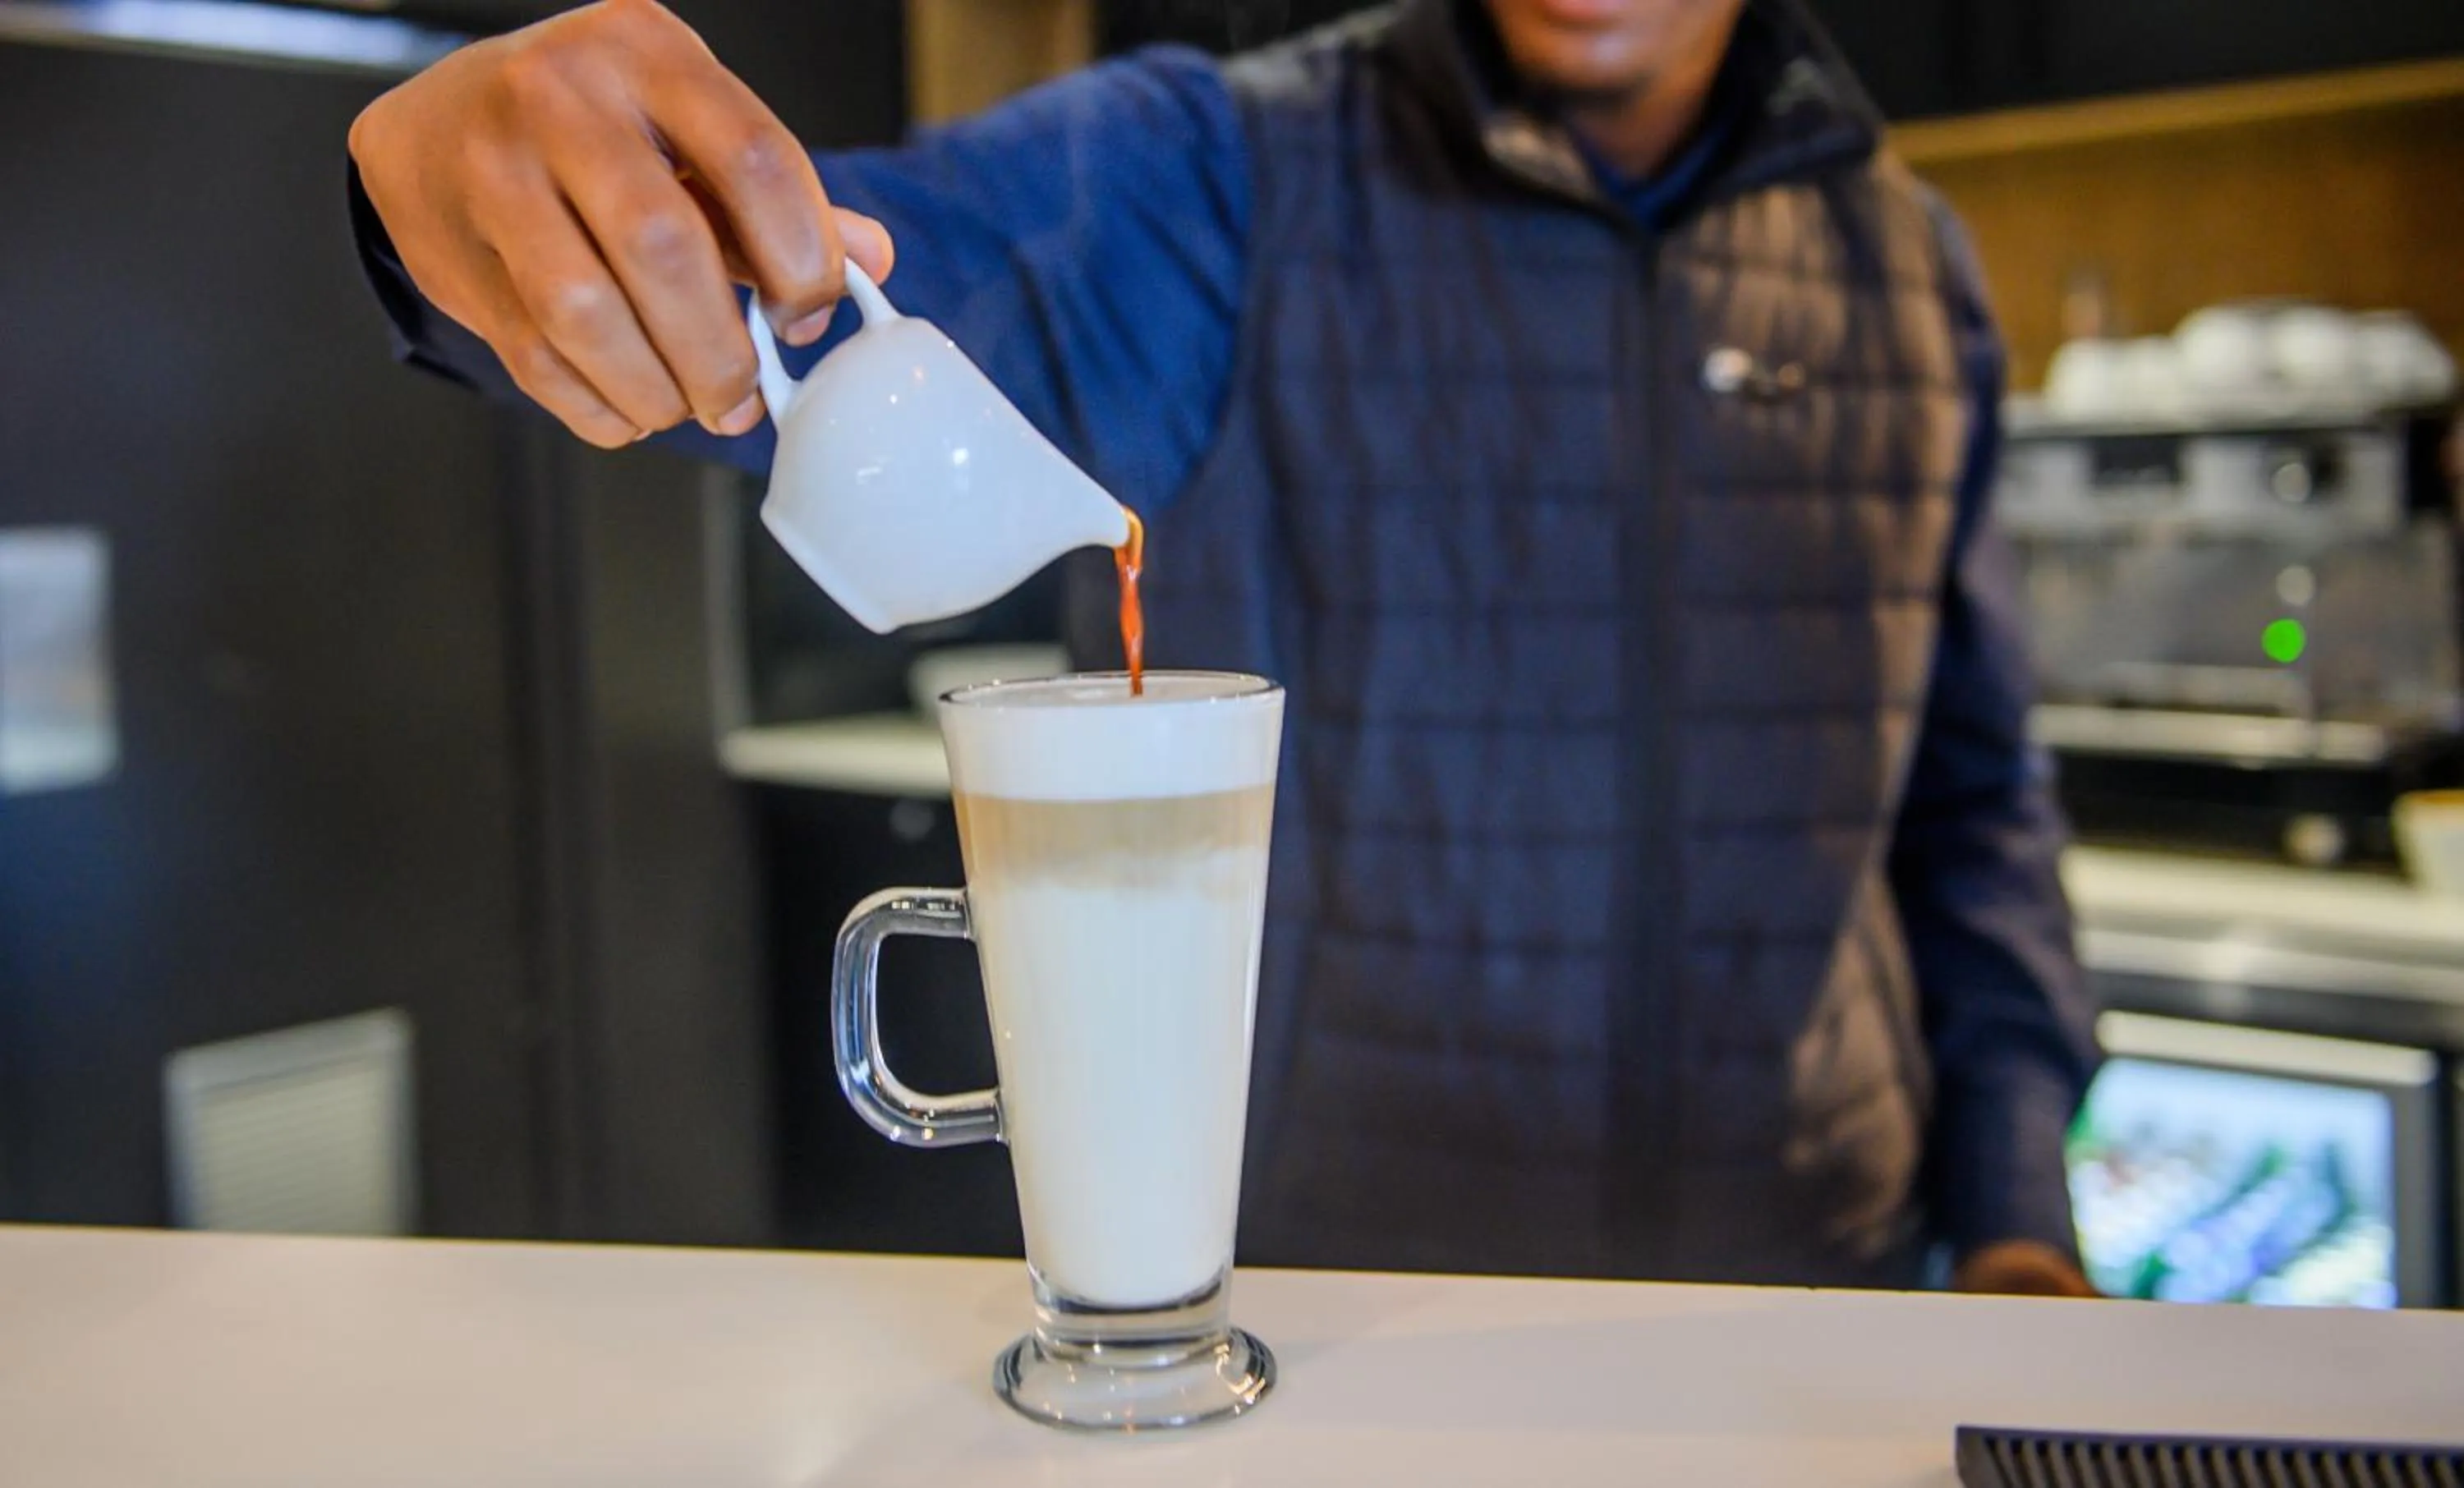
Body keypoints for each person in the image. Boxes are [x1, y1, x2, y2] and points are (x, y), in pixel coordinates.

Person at [347, 0, 2102, 1295]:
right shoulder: (1225, 179)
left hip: (1820, 1290)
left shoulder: (1909, 268)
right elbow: (808, 293)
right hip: (1353, 1302)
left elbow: (1971, 804)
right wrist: (511, 205)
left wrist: (2020, 1209)